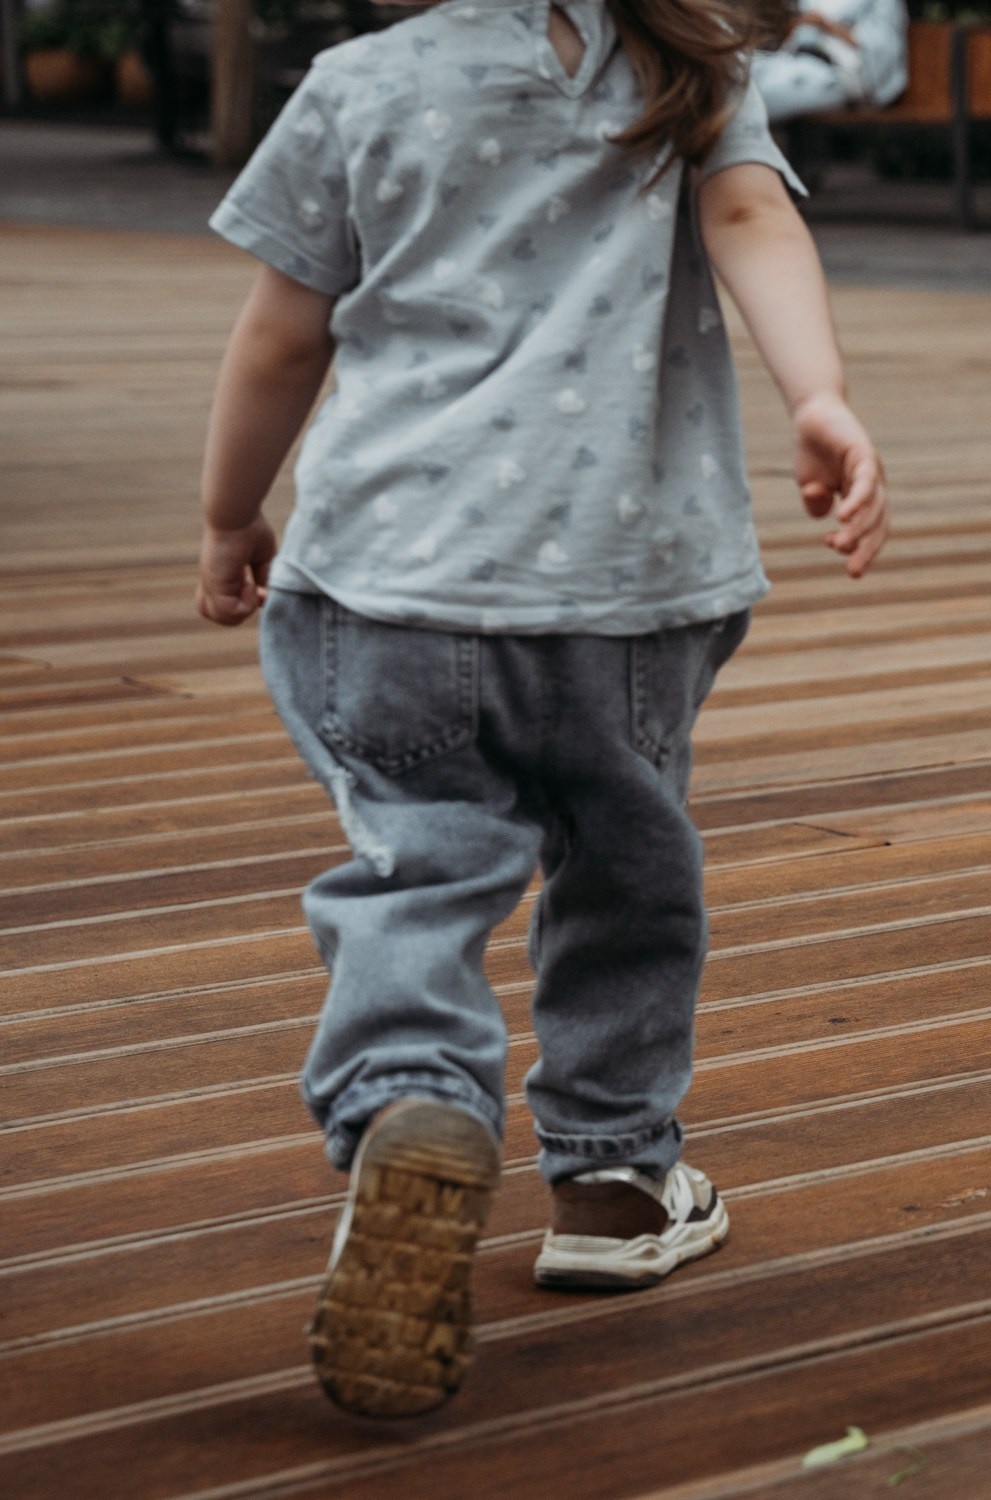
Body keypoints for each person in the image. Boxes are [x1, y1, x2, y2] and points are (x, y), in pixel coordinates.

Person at [195, 0, 888, 1420]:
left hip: (392, 582)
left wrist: (228, 512)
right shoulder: (688, 68)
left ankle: (414, 1099)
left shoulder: (360, 83)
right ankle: (616, 1180)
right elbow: (755, 220)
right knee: (627, 860)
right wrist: (818, 394)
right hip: (622, 584)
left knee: (415, 859)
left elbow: (282, 335)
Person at [751, 0, 909, 122]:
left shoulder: (884, 4)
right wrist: (800, 24)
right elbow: (793, 36)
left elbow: (878, 52)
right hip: (795, 60)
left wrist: (823, 24)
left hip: (836, 74)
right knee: (748, 70)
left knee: (755, 99)